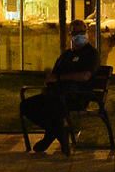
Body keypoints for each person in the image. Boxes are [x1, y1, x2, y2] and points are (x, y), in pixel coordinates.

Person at [20, 19, 100, 155]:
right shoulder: (66, 55)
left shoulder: (90, 54)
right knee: (26, 106)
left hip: (77, 95)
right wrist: (49, 82)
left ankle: (52, 134)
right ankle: (56, 132)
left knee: (54, 105)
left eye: (82, 32)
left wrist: (59, 78)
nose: (79, 35)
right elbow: (54, 75)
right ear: (71, 35)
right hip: (57, 94)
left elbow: (85, 76)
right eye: (76, 33)